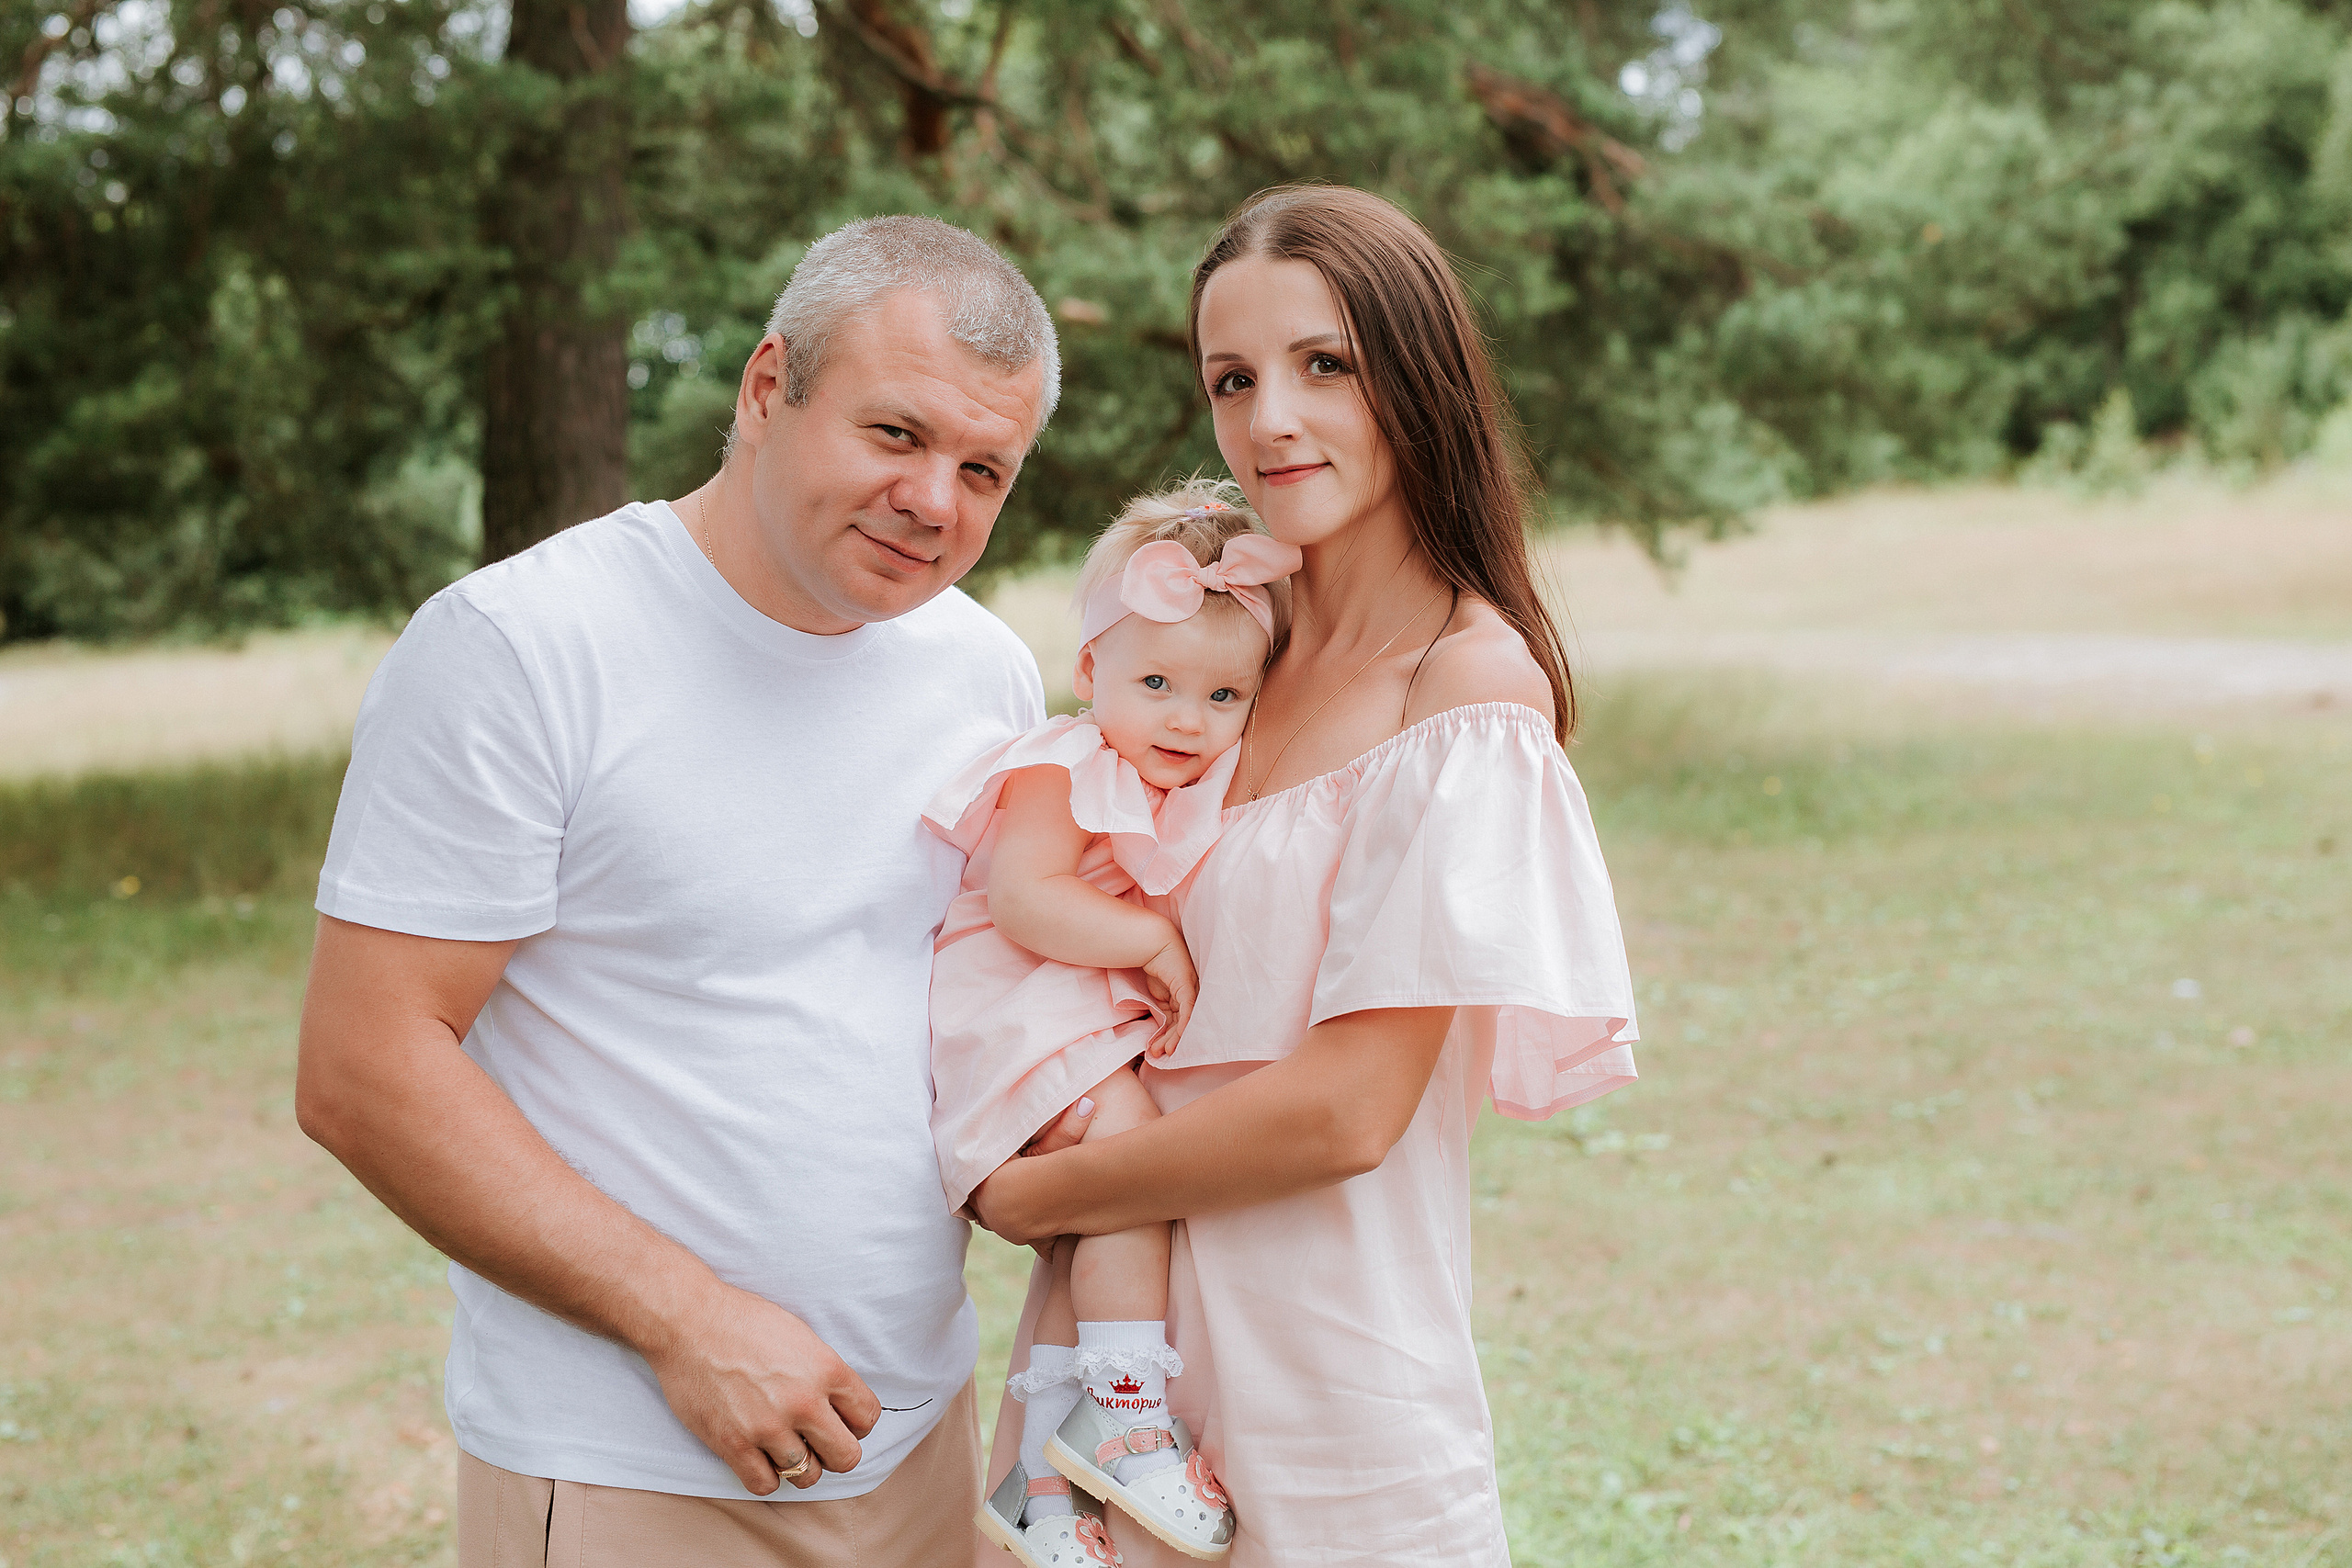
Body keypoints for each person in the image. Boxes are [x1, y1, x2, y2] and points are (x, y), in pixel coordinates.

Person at [295, 214, 1058, 1567]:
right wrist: (689, 1320)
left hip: (920, 1438)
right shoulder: (520, 646)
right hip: (634, 1464)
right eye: (896, 434)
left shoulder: (983, 674)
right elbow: (364, 1067)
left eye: (983, 468)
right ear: (770, 387)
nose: (936, 501)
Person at [968, 185, 1641, 1567]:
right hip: (1115, 1362)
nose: (1270, 418)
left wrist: (1038, 1195)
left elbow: (1348, 1109)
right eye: (1233, 377)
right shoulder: (1217, 676)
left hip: (1326, 1371)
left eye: (1323, 363)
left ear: (1419, 374)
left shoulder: (1463, 687)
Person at [925, 482, 1291, 1566]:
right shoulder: (1063, 762)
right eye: (1157, 684)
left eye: (1225, 694)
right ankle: (1129, 1424)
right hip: (1015, 1008)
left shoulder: (1163, 773)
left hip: (1059, 1017)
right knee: (1132, 1173)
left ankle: (1039, 1490)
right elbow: (1033, 900)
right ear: (1090, 676)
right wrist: (1150, 944)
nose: (1188, 717)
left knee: (1093, 1232)